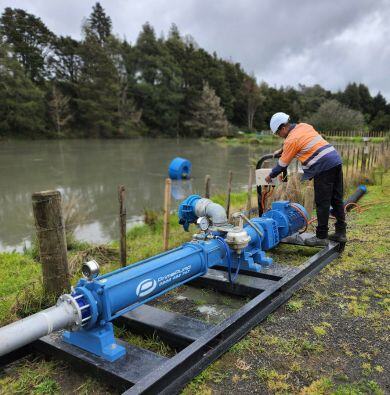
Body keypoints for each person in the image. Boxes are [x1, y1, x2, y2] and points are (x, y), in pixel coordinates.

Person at [265, 112, 347, 246]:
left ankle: (321, 237)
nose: (279, 136)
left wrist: (270, 176)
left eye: (277, 133)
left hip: (323, 166)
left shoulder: (290, 140)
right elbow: (302, 141)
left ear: (283, 128)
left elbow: (282, 165)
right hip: (335, 160)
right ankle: (341, 233)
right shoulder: (303, 126)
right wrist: (283, 149)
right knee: (336, 198)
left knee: (322, 202)